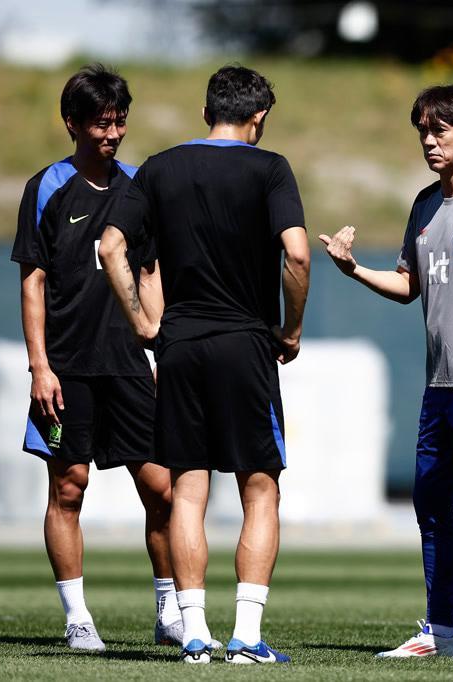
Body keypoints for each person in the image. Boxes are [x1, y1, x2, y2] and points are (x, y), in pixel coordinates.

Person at [99, 65, 309, 666]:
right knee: (260, 488)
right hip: (246, 342)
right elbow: (296, 253)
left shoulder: (159, 167)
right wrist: (291, 329)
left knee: (188, 490)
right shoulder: (270, 168)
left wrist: (144, 322)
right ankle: (245, 635)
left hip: (180, 345)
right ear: (259, 117)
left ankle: (194, 633)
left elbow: (111, 246)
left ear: (205, 112)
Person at [320, 84, 453, 661]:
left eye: (440, 131)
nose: (429, 142)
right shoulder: (424, 203)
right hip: (440, 382)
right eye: (423, 132)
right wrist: (354, 269)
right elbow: (409, 286)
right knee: (430, 504)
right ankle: (440, 629)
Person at [10, 64, 179, 652]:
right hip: (67, 366)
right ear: (72, 124)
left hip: (131, 364)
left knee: (162, 488)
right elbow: (33, 282)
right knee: (68, 487)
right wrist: (40, 367)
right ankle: (78, 618)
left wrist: (160, 347)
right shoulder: (47, 187)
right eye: (101, 123)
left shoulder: (139, 186)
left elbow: (151, 270)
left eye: (119, 121)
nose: (112, 133)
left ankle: (169, 611)